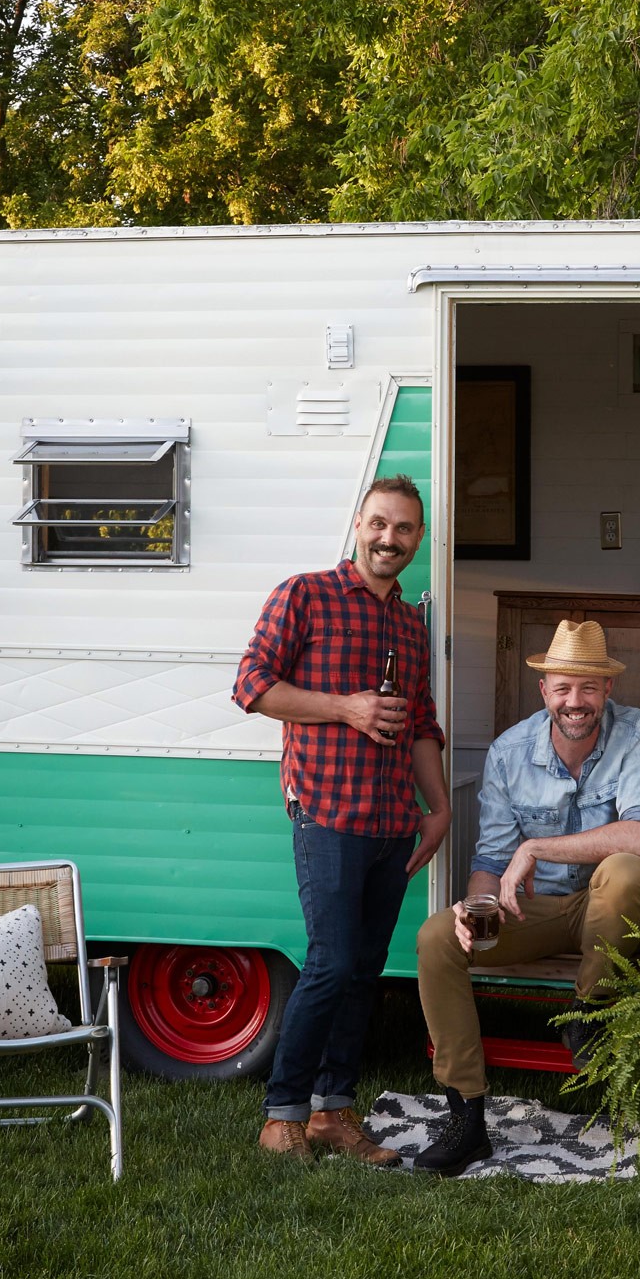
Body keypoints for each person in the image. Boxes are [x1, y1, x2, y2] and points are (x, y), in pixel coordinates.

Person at [233, 474, 449, 1165]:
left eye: (405, 529)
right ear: (358, 524)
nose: (391, 538)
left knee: (365, 970)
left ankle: (334, 1110)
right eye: (380, 524)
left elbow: (420, 723)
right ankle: (281, 1113)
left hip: (392, 823)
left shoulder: (411, 624)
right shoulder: (306, 594)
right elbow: (252, 686)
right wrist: (346, 708)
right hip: (327, 813)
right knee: (328, 962)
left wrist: (437, 808)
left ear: (418, 538)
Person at [414, 618, 640, 1175]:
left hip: (609, 912)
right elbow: (490, 859)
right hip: (539, 911)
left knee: (624, 870)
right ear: (543, 691)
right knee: (436, 938)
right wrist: (476, 908)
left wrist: (537, 847)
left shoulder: (636, 732)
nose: (576, 702)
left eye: (589, 687)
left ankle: (590, 1014)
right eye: (563, 688)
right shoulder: (510, 751)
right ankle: (466, 1116)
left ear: (608, 689)